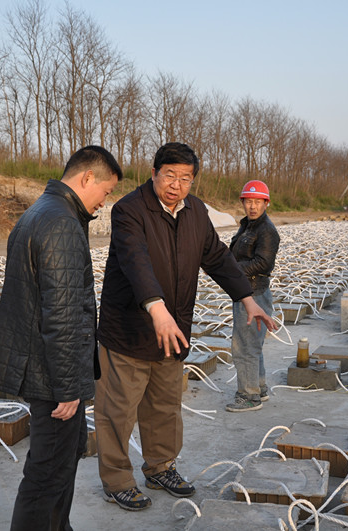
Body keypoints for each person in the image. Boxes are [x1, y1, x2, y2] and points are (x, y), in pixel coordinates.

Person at [95, 142, 277, 511]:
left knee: (164, 407)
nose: (176, 185)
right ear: (154, 173)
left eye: (185, 178)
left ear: (192, 181)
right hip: (130, 329)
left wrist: (247, 298)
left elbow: (218, 258)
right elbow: (135, 261)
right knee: (119, 411)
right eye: (170, 176)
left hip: (173, 329)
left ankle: (160, 467)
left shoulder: (195, 212)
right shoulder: (130, 210)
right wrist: (156, 308)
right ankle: (117, 480)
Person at [0, 146, 122, 530]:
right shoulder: (60, 222)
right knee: (46, 473)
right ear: (87, 178)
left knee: (61, 462)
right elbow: (60, 316)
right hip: (53, 375)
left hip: (44, 367)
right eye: (106, 192)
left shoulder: (39, 212)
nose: (104, 202)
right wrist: (66, 387)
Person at [226, 180, 280, 412]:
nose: (253, 206)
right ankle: (259, 388)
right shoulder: (248, 226)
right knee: (252, 344)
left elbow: (263, 263)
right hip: (246, 290)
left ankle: (249, 397)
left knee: (244, 347)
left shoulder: (266, 231)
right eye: (249, 201)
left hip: (254, 293)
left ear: (266, 203)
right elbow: (235, 252)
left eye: (258, 202)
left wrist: (230, 270)